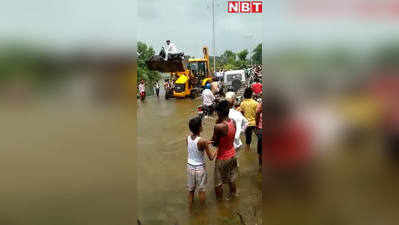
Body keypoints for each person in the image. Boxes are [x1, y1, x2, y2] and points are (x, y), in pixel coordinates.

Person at [186, 117, 217, 208]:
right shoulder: (202, 141)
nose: (202, 126)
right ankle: (203, 211)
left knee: (191, 190)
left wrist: (206, 143)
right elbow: (211, 157)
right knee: (201, 190)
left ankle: (190, 208)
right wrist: (217, 149)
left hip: (189, 166)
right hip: (199, 168)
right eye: (201, 124)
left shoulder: (187, 138)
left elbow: (194, 147)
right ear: (199, 128)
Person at [211, 100, 238, 200]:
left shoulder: (218, 126)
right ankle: (233, 197)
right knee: (231, 179)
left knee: (218, 183)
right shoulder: (233, 122)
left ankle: (220, 205)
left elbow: (214, 143)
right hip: (233, 154)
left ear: (219, 112)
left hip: (223, 157)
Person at [226, 92, 248, 167]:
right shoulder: (237, 114)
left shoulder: (222, 114)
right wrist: (241, 131)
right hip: (236, 142)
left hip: (226, 143)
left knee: (227, 163)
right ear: (234, 102)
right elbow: (246, 123)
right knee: (235, 163)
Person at [239, 88, 259, 152]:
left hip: (246, 124)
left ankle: (247, 149)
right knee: (259, 137)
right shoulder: (256, 103)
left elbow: (241, 114)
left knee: (248, 138)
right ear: (251, 94)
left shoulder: (242, 103)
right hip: (255, 123)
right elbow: (258, 114)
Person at [255, 102, 263, 170]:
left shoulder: (261, 104)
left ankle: (260, 167)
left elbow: (257, 113)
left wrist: (256, 126)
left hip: (261, 129)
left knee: (261, 151)